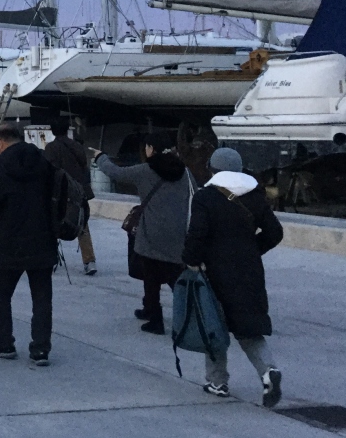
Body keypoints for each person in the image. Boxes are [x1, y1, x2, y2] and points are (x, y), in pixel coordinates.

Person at [182, 147, 284, 406]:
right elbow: (275, 232)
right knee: (248, 327)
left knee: (213, 326)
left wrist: (191, 260)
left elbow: (197, 233)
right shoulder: (255, 195)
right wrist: (252, 250)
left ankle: (217, 381)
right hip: (249, 270)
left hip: (214, 271)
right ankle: (268, 370)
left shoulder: (205, 197)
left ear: (213, 169)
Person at [0, 122, 56, 365]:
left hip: (7, 242)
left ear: (0, 142)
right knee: (42, 298)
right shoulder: (44, 163)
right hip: (42, 239)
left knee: (0, 296)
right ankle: (40, 350)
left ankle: (3, 343)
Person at [95, 132, 193, 334]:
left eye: (147, 147)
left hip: (151, 233)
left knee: (151, 277)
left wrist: (100, 157)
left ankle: (155, 318)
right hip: (177, 234)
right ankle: (189, 316)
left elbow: (115, 172)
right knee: (175, 276)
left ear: (152, 149)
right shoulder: (185, 172)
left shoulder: (145, 170)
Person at [44, 120, 96, 275]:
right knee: (82, 224)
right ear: (67, 130)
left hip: (60, 192)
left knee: (52, 224)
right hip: (79, 191)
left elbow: (49, 170)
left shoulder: (51, 147)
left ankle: (51, 257)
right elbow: (84, 166)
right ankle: (89, 261)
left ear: (53, 131)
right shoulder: (77, 146)